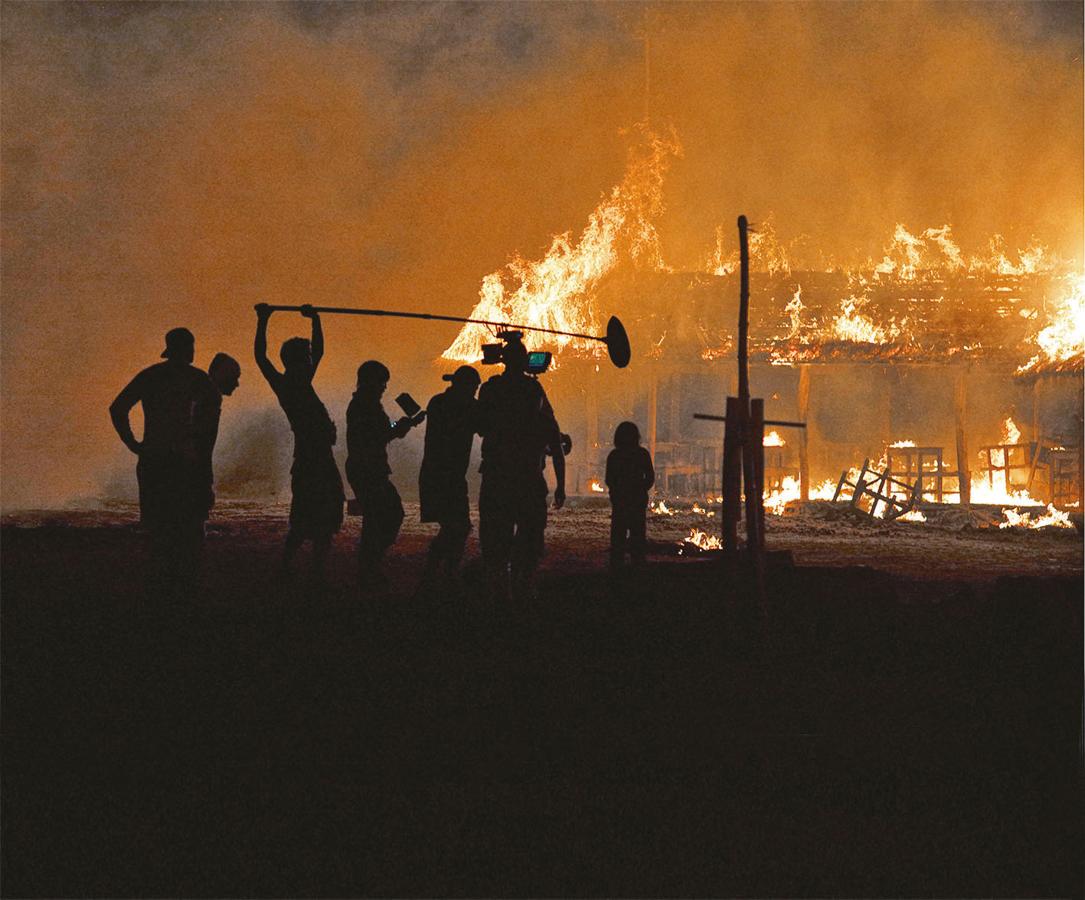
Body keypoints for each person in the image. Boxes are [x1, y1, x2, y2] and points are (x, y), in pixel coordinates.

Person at [109, 327, 220, 588]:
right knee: (188, 526)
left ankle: (162, 583)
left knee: (159, 526)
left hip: (153, 458)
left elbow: (117, 408)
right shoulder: (197, 379)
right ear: (188, 349)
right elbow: (211, 416)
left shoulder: (151, 376)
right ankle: (183, 584)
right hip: (183, 461)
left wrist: (133, 443)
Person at [254, 304, 344, 582]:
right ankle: (290, 567)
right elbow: (260, 357)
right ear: (293, 362)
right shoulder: (287, 385)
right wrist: (263, 320)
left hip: (318, 459)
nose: (309, 361)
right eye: (304, 358)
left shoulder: (299, 382)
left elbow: (318, 352)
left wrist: (315, 321)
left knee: (323, 517)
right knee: (307, 517)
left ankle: (309, 569)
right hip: (309, 460)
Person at [476, 335, 565, 601]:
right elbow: (557, 448)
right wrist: (560, 486)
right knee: (529, 538)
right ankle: (522, 588)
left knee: (495, 539)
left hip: (497, 478)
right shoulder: (533, 394)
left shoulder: (491, 389)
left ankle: (498, 592)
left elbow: (480, 426)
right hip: (527, 480)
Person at [345, 360, 422, 589]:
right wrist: (401, 427)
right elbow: (378, 436)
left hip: (367, 468)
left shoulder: (367, 405)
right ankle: (369, 566)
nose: (384, 387)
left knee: (377, 518)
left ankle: (368, 566)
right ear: (371, 382)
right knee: (387, 516)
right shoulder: (363, 406)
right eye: (382, 382)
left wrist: (402, 426)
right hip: (368, 469)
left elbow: (384, 431)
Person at [418, 365, 481, 591]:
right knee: (459, 526)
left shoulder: (438, 402)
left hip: (437, 474)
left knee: (453, 527)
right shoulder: (461, 407)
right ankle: (445, 572)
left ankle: (438, 572)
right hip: (446, 476)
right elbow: (481, 425)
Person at [605, 421, 655, 569]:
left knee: (618, 538)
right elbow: (650, 477)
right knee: (637, 537)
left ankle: (616, 570)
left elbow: (609, 479)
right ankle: (637, 569)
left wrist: (617, 492)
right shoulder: (642, 454)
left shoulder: (614, 455)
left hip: (620, 502)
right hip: (637, 501)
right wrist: (641, 490)